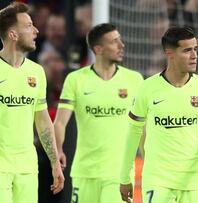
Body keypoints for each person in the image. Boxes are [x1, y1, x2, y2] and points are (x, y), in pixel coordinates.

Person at [0, 2, 64, 203]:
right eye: (28, 26)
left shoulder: (36, 72)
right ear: (13, 35)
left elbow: (43, 121)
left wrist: (54, 162)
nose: (35, 30)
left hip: (26, 166)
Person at [120, 26, 198, 203]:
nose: (194, 56)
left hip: (192, 181)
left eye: (195, 49)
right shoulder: (147, 88)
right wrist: (124, 177)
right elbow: (133, 132)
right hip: (158, 180)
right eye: (187, 50)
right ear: (170, 54)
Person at [54, 23, 143, 203]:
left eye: (120, 40)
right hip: (84, 171)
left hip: (119, 173)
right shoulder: (76, 80)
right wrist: (57, 152)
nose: (121, 45)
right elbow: (60, 122)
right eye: (114, 41)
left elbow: (143, 126)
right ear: (99, 49)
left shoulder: (134, 80)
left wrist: (148, 160)